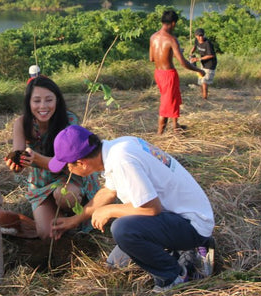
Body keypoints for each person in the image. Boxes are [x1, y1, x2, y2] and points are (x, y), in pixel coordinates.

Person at [49, 125, 215, 293]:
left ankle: (173, 276)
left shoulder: (122, 160)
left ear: (81, 163)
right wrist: (74, 220)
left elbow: (151, 209)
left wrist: (109, 210)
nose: (68, 170)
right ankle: (184, 250)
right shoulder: (117, 148)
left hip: (191, 224)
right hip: (179, 215)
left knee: (123, 229)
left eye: (68, 166)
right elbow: (108, 191)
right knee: (116, 264)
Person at [4, 75, 100, 240]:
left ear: (57, 100)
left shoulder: (69, 121)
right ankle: (56, 218)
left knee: (65, 197)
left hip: (69, 177)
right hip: (40, 183)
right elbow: (18, 155)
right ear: (28, 103)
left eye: (49, 100)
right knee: (47, 235)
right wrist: (17, 164)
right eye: (36, 101)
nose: (43, 106)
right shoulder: (21, 123)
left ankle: (74, 218)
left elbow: (67, 164)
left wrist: (37, 159)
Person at [149, 10, 206, 134]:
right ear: (173, 23)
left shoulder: (153, 37)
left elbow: (151, 58)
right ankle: (159, 135)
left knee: (174, 98)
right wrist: (199, 70)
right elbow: (183, 63)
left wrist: (169, 54)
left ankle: (176, 125)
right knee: (166, 104)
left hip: (158, 73)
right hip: (168, 74)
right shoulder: (171, 40)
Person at [189, 28, 217, 99]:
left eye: (202, 35)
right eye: (199, 36)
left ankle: (205, 99)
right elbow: (195, 46)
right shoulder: (196, 41)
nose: (201, 37)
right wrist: (191, 52)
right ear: (196, 36)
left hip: (210, 64)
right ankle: (203, 96)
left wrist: (198, 59)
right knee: (201, 81)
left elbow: (211, 55)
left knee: (204, 82)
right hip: (203, 63)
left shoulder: (207, 43)